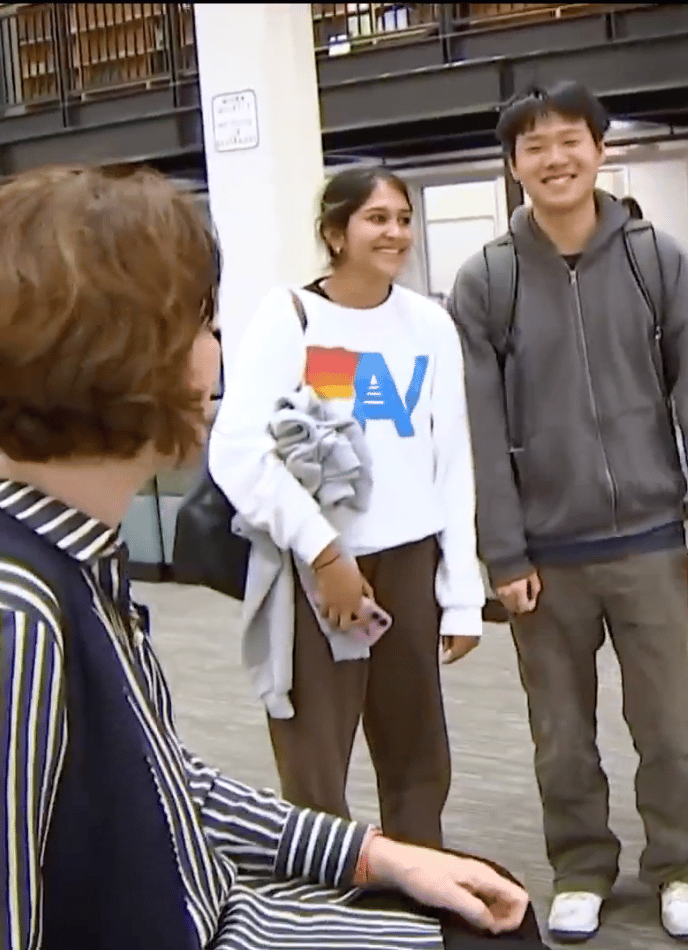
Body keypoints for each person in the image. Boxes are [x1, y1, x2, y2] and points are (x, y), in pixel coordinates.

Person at [0, 165, 540, 950]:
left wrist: (371, 855)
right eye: (203, 327)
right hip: (207, 925)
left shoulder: (66, 561)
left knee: (486, 906)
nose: (216, 355)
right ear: (119, 355)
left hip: (212, 908)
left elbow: (158, 786)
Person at [449, 80, 688, 943]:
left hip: (650, 541)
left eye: (569, 140)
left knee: (672, 726)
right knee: (561, 734)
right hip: (544, 554)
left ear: (600, 149)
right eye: (534, 146)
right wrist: (502, 552)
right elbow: (478, 428)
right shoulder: (488, 280)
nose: (555, 158)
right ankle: (580, 867)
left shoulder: (657, 261)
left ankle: (678, 867)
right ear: (514, 165)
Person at [210, 167, 485, 850]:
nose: (395, 233)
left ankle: (420, 887)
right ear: (335, 233)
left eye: (402, 219)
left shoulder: (430, 324)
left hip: (410, 558)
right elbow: (237, 451)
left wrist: (462, 597)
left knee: (417, 754)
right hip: (318, 570)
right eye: (376, 219)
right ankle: (321, 895)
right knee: (315, 760)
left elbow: (452, 461)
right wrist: (325, 551)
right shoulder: (290, 318)